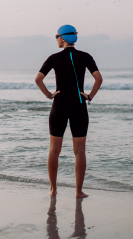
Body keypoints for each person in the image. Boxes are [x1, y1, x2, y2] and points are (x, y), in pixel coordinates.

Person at [35, 25, 103, 198]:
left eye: (56, 36)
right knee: (79, 151)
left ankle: (53, 189)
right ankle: (78, 191)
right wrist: (89, 96)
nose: (56, 39)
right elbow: (98, 78)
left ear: (63, 38)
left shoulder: (54, 58)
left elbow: (38, 79)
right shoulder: (86, 57)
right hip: (79, 106)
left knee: (53, 150)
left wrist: (49, 95)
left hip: (59, 106)